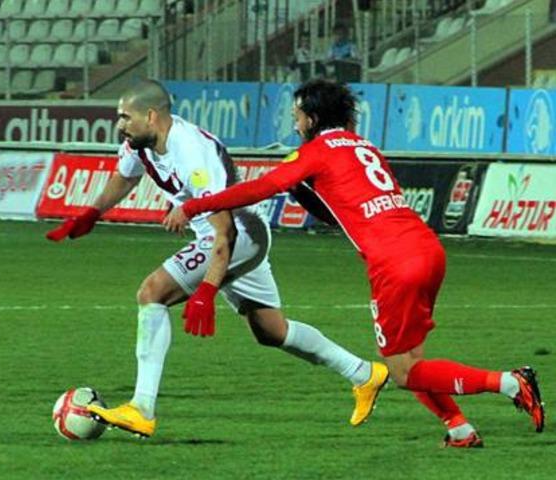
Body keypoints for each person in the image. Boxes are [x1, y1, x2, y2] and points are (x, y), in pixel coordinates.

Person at [164, 79, 545, 447]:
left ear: (312, 119)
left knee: (403, 372)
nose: (295, 125)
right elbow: (342, 214)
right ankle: (459, 429)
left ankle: (509, 382)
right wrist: (307, 195)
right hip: (426, 248)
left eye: (297, 117)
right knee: (411, 357)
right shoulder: (365, 148)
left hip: (394, 262)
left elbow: (260, 188)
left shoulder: (315, 152)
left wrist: (194, 206)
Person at [46, 79, 388, 438]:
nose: (120, 126)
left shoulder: (191, 152)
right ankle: (363, 373)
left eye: (125, 117)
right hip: (229, 236)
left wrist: (207, 290)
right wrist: (92, 212)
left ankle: (141, 408)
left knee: (152, 292)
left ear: (151, 116)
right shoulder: (139, 142)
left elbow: (225, 232)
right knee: (271, 331)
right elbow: (125, 177)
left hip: (237, 234)